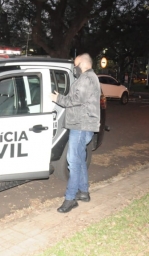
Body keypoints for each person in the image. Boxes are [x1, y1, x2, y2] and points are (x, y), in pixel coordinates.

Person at [50, 53, 101, 213]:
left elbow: (74, 100)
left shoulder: (86, 79)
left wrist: (57, 97)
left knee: (73, 161)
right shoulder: (92, 77)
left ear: (83, 65)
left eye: (75, 65)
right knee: (79, 159)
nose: (74, 68)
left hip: (80, 125)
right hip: (85, 124)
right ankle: (84, 192)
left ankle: (70, 198)